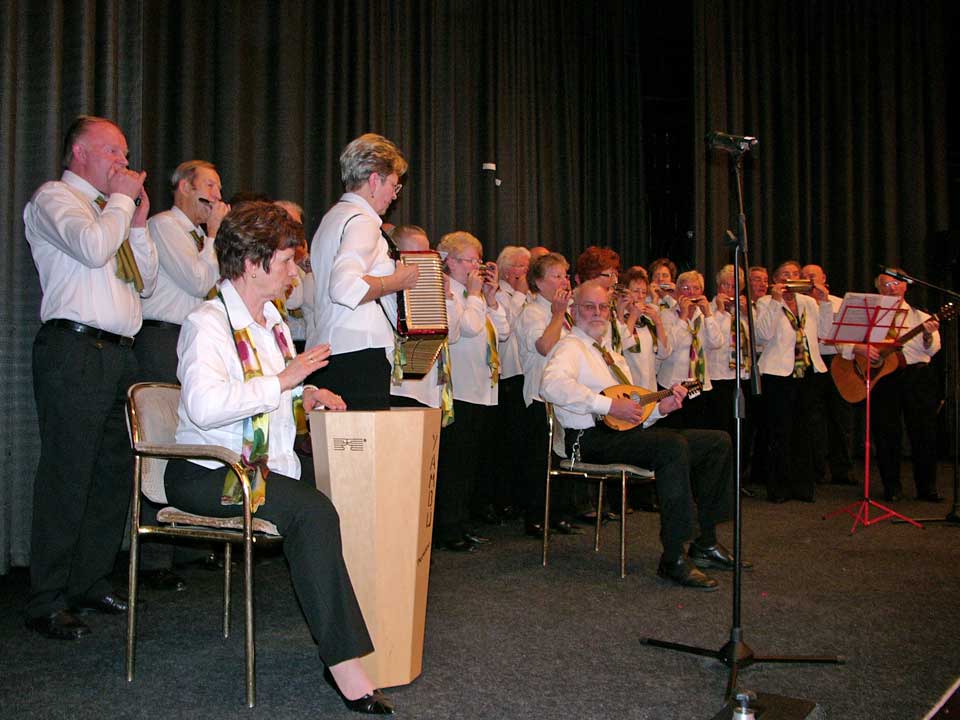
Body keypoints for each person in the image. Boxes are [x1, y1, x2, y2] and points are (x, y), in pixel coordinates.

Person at [165, 202, 393, 714]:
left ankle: (361, 628)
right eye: (288, 261)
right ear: (252, 263)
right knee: (313, 511)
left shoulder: (270, 320)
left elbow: (270, 399)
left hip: (257, 467)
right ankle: (345, 666)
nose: (296, 272)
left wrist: (303, 395)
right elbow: (203, 408)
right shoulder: (207, 323)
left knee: (339, 496)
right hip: (208, 471)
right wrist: (286, 381)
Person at [23, 115, 157, 640]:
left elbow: (143, 282)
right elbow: (93, 247)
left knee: (111, 474)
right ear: (79, 152)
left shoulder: (115, 212)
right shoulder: (56, 198)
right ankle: (46, 598)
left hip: (120, 355)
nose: (124, 165)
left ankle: (89, 581)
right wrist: (122, 204)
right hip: (74, 349)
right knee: (67, 473)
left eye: (125, 155)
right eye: (113, 153)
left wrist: (139, 223)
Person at [541, 281, 739, 590]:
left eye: (602, 307)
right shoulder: (570, 347)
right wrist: (606, 404)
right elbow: (550, 386)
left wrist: (662, 409)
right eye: (588, 307)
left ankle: (706, 542)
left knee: (718, 441)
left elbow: (632, 416)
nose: (596, 313)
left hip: (615, 437)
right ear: (574, 310)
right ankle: (673, 557)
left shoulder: (612, 356)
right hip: (586, 441)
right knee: (671, 447)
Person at [136, 159, 229, 590]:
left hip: (192, 338)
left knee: (191, 434)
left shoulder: (196, 236)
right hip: (161, 337)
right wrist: (213, 236)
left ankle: (187, 544)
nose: (217, 194)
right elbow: (196, 280)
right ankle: (153, 558)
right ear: (184, 188)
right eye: (210, 185)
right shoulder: (164, 227)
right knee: (161, 438)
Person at [308, 133, 419, 410]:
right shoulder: (363, 223)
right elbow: (344, 287)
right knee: (364, 449)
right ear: (374, 180)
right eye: (393, 185)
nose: (394, 195)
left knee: (337, 446)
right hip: (359, 352)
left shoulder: (333, 217)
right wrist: (397, 281)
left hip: (332, 349)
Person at [433, 231, 509, 551]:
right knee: (455, 465)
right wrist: (477, 297)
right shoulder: (447, 291)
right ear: (448, 261)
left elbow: (502, 332)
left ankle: (462, 523)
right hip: (460, 390)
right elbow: (465, 329)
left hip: (483, 390)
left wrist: (490, 299)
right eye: (469, 260)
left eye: (478, 260)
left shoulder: (475, 296)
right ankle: (447, 528)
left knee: (471, 464)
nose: (475, 266)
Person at [843, 270, 941, 501]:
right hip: (884, 377)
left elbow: (932, 348)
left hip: (917, 376)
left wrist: (927, 336)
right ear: (878, 289)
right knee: (886, 432)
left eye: (896, 284)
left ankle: (927, 488)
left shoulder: (920, 315)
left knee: (924, 432)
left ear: (906, 287)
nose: (891, 288)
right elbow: (843, 340)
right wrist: (860, 348)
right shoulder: (868, 315)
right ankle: (891, 487)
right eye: (886, 284)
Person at [753, 260, 835, 503]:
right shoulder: (765, 303)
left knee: (805, 431)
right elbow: (763, 334)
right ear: (776, 280)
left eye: (795, 274)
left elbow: (826, 334)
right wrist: (777, 302)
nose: (791, 277)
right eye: (785, 274)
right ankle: (779, 487)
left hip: (807, 372)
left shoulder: (808, 302)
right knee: (780, 431)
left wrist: (826, 302)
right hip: (778, 374)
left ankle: (803, 486)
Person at [514, 252, 582, 536]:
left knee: (563, 457)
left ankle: (557, 512)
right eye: (557, 275)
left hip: (563, 395)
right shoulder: (533, 312)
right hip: (540, 397)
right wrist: (556, 314)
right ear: (539, 282)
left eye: (566, 275)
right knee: (540, 462)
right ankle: (536, 516)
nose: (564, 280)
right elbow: (544, 346)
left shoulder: (564, 312)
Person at [387, 224, 459, 412]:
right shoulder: (388, 288)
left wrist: (447, 296)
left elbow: (452, 336)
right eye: (415, 254)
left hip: (430, 388)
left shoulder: (434, 286)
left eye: (427, 253)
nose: (424, 260)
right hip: (403, 389)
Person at [801, 263, 856, 486]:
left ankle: (842, 469)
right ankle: (816, 470)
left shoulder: (839, 303)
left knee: (840, 417)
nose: (809, 279)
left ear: (823, 277)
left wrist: (824, 303)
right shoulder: (800, 304)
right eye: (804, 276)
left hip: (837, 360)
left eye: (812, 276)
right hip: (810, 361)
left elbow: (844, 335)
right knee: (813, 419)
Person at [489, 245, 532, 520]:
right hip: (507, 374)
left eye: (527, 267)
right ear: (506, 269)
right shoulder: (501, 294)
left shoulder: (526, 295)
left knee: (523, 441)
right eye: (519, 266)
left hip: (526, 373)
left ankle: (520, 497)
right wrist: (519, 294)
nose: (524, 271)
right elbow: (511, 326)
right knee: (505, 441)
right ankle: (502, 499)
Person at [656, 270, 724, 428]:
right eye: (686, 288)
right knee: (674, 431)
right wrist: (683, 317)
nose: (691, 292)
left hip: (700, 384)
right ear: (677, 292)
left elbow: (716, 343)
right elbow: (669, 347)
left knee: (698, 431)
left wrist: (708, 314)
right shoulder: (667, 315)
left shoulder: (706, 315)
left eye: (696, 288)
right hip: (673, 384)